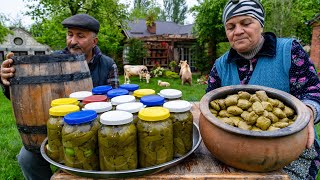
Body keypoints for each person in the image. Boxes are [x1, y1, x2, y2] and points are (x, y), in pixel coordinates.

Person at [206, 0, 320, 179]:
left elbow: (313, 91)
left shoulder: (289, 51)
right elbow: (210, 107)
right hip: (233, 151)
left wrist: (309, 111)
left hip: (289, 151)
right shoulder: (221, 65)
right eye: (230, 26)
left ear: (261, 24)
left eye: (246, 23)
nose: (238, 31)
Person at [0, 14, 119, 179]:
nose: (73, 41)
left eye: (80, 36)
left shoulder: (107, 64)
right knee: (27, 158)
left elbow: (116, 104)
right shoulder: (53, 61)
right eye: (70, 34)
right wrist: (8, 82)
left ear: (94, 41)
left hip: (93, 130)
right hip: (54, 130)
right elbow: (30, 100)